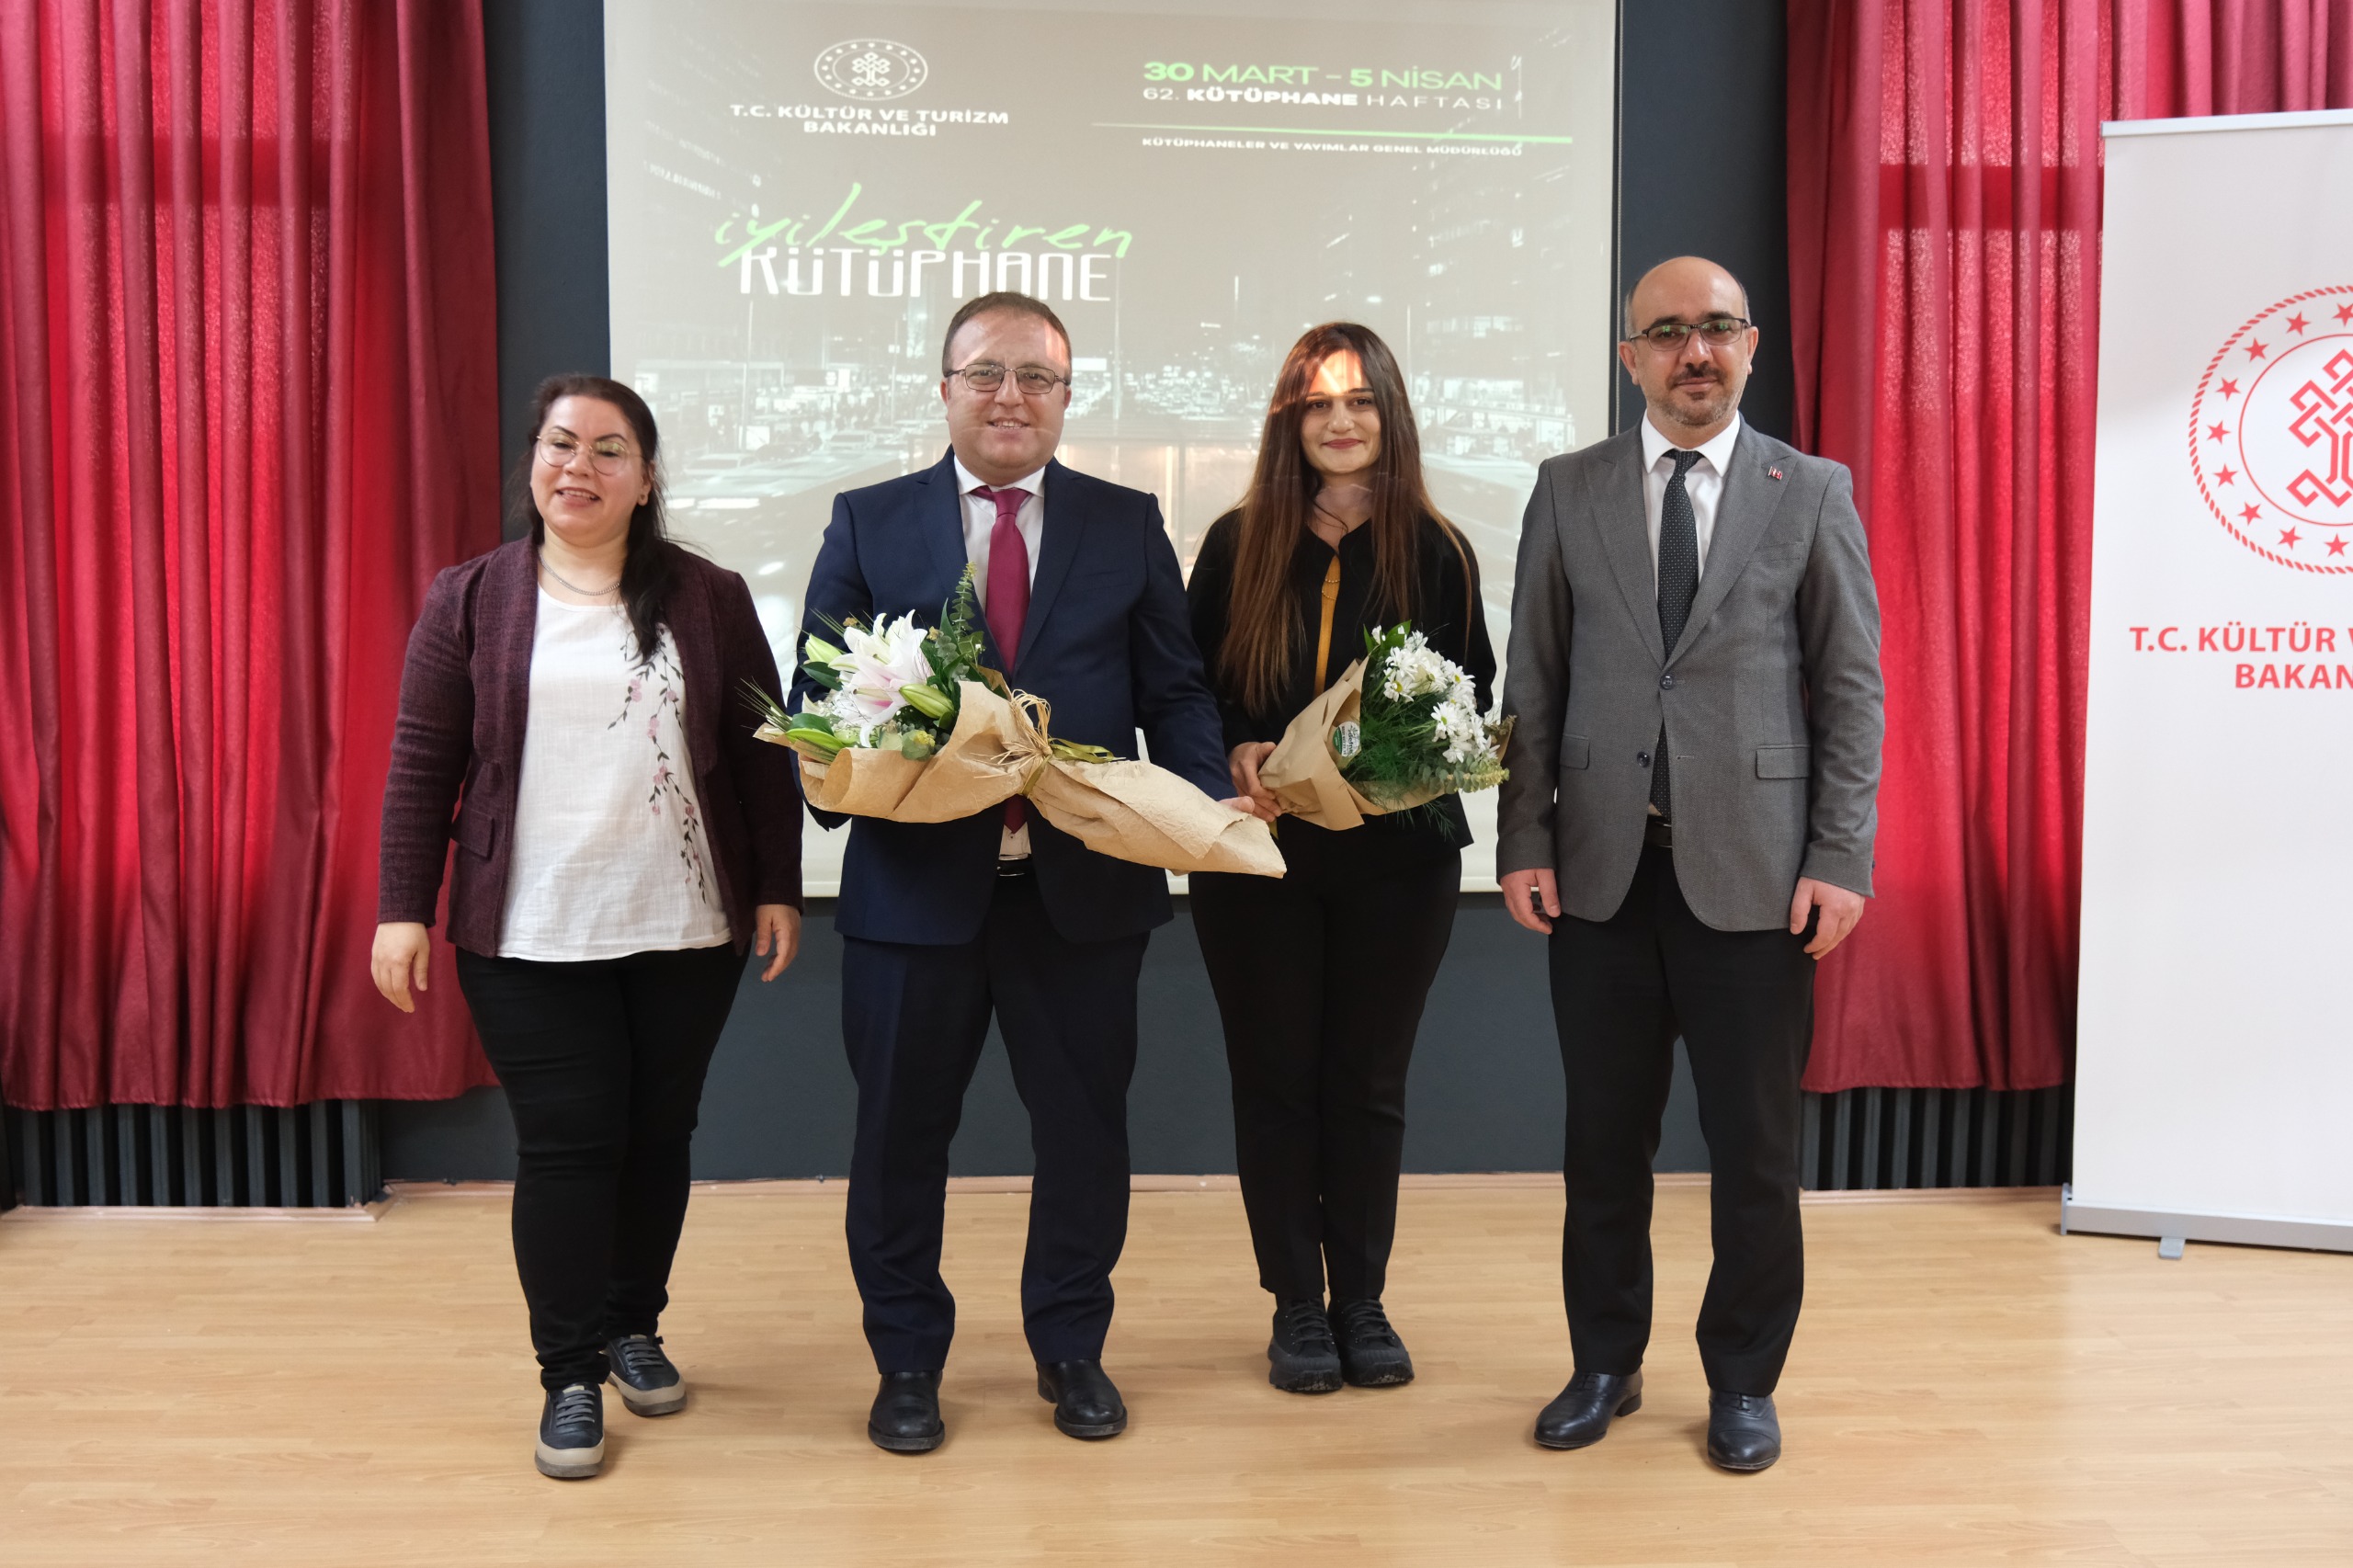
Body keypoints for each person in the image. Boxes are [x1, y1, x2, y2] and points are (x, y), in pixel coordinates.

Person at [795, 292, 1261, 1453]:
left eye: (1037, 378)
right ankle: (907, 1360)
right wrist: (858, 764)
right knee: (898, 1140)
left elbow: (1173, 688)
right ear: (944, 387)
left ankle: (1071, 1346)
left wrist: (1201, 799)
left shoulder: (1125, 520)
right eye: (986, 374)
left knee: (1084, 1135)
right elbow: (820, 694)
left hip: (1083, 893)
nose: (1011, 397)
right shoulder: (868, 519)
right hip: (914, 894)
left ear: (1066, 395)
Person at [372, 375, 804, 1482]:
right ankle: (567, 1370)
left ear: (646, 478)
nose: (581, 466)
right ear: (533, 461)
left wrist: (778, 886)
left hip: (683, 920)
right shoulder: (471, 597)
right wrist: (401, 907)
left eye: (610, 449)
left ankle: (631, 1325)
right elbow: (422, 760)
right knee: (568, 1146)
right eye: (561, 444)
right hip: (528, 927)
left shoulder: (709, 596)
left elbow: (760, 754)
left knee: (658, 1135)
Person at [1496, 257, 1883, 1472]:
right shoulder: (1568, 488)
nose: (1694, 351)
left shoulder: (1809, 490)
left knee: (1755, 1155)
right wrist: (1523, 835)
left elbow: (1851, 689)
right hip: (1602, 875)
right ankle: (1604, 1362)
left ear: (1750, 345)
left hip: (1758, 879)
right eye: (1666, 333)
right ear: (1631, 358)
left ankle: (1743, 1379)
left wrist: (1840, 854)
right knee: (1602, 1147)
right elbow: (1533, 677)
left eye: (1716, 328)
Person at [1185, 324, 1495, 1394]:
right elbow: (1192, 685)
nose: (1340, 420)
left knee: (1366, 1084)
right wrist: (1233, 746)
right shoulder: (1237, 541)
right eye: (1317, 402)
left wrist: (1385, 765)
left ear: (1389, 414)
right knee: (1274, 1081)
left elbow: (1471, 703)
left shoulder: (1439, 549)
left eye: (1359, 400)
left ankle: (1361, 1299)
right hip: (1257, 853)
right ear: (1290, 422)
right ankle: (1295, 1305)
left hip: (1397, 862)